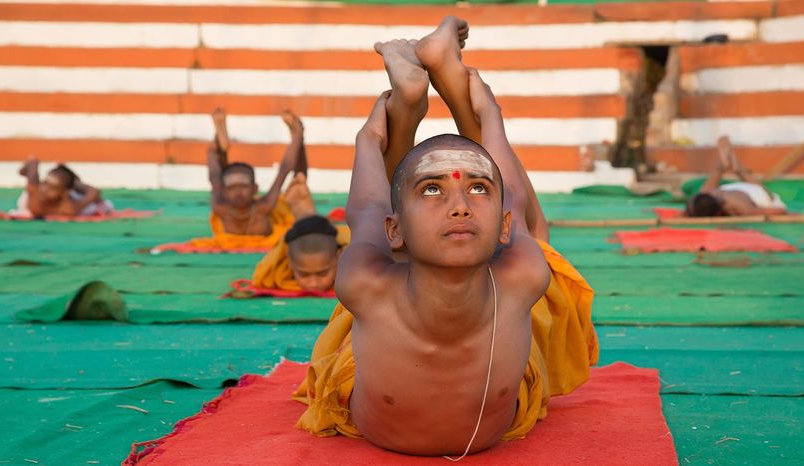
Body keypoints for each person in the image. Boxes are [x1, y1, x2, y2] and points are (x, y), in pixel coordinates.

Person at [293, 17, 597, 458]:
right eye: (434, 189)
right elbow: (370, 213)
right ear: (393, 232)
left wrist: (492, 115)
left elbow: (509, 196)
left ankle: (443, 87)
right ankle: (410, 105)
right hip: (398, 297)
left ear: (503, 225)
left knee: (536, 243)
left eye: (475, 190)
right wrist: (370, 139)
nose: (460, 206)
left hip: (493, 290)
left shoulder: (521, 280)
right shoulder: (367, 288)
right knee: (499, 231)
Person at [202, 108, 305, 247]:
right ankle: (217, 145)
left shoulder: (264, 207)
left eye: (243, 186)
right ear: (225, 192)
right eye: (233, 188)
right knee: (219, 178)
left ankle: (299, 137)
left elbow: (285, 170)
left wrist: (297, 135)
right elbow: (214, 176)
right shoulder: (221, 208)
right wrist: (211, 153)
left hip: (281, 211)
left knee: (300, 180)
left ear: (255, 189)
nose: (238, 192)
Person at [250, 173, 349, 293]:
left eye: (322, 273)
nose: (313, 283)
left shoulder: (354, 262)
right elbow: (260, 276)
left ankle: (305, 214)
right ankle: (305, 214)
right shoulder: (275, 270)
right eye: (303, 274)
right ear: (290, 264)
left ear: (338, 257)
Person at [686, 136, 788, 217]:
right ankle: (731, 169)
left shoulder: (740, 207)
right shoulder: (707, 197)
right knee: (703, 193)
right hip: (729, 190)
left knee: (769, 196)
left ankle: (724, 168)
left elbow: (779, 211)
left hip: (754, 195)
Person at [14, 156, 113, 218]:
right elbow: (33, 167)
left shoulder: (70, 208)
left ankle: (70, 177)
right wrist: (31, 163)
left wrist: (76, 184)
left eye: (52, 188)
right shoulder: (35, 190)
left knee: (98, 201)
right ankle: (63, 172)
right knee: (33, 172)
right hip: (32, 193)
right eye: (45, 184)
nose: (45, 190)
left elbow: (95, 192)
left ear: (64, 193)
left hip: (71, 189)